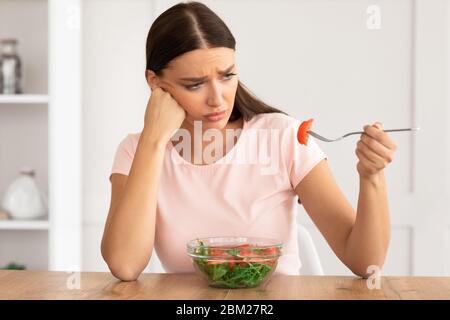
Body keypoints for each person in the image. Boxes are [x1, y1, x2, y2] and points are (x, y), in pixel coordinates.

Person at [101, 1, 397, 281]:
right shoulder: (135, 151)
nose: (218, 99)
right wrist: (153, 141)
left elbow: (365, 261)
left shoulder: (283, 138)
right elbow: (125, 265)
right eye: (195, 84)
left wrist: (371, 176)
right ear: (155, 82)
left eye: (227, 76)